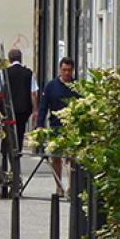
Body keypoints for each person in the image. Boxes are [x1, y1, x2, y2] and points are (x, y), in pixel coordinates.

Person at [37, 56, 79, 195]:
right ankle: (59, 185)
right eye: (64, 70)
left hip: (72, 127)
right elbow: (43, 107)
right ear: (60, 70)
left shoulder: (76, 87)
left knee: (71, 159)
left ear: (73, 70)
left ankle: (71, 187)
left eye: (69, 70)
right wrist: (40, 125)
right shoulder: (51, 86)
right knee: (56, 157)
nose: (67, 73)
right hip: (55, 125)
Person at [0, 48, 38, 156]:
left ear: (10, 59)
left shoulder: (4, 73)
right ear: (21, 59)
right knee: (20, 130)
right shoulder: (28, 73)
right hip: (23, 109)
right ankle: (17, 151)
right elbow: (33, 93)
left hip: (7, 109)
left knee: (7, 130)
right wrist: (35, 110)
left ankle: (5, 151)